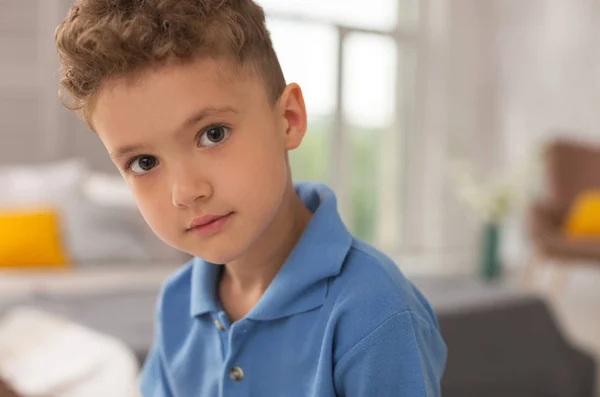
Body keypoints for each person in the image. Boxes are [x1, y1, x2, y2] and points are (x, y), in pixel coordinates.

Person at [54, 1, 447, 395]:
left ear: (288, 120)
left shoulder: (377, 312)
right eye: (143, 162)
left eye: (213, 134)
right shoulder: (176, 302)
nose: (187, 192)